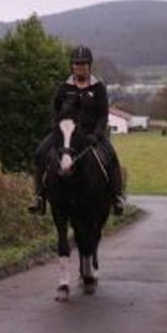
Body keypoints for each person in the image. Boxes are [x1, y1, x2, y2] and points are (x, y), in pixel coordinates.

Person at [28, 44, 126, 216]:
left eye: (83, 64)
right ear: (72, 66)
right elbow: (56, 112)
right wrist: (58, 130)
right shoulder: (64, 88)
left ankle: (116, 197)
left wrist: (96, 135)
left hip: (91, 135)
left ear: (89, 66)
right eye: (76, 64)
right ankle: (39, 197)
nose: (80, 68)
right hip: (66, 134)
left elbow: (103, 115)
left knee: (112, 157)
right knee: (39, 153)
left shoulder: (98, 88)